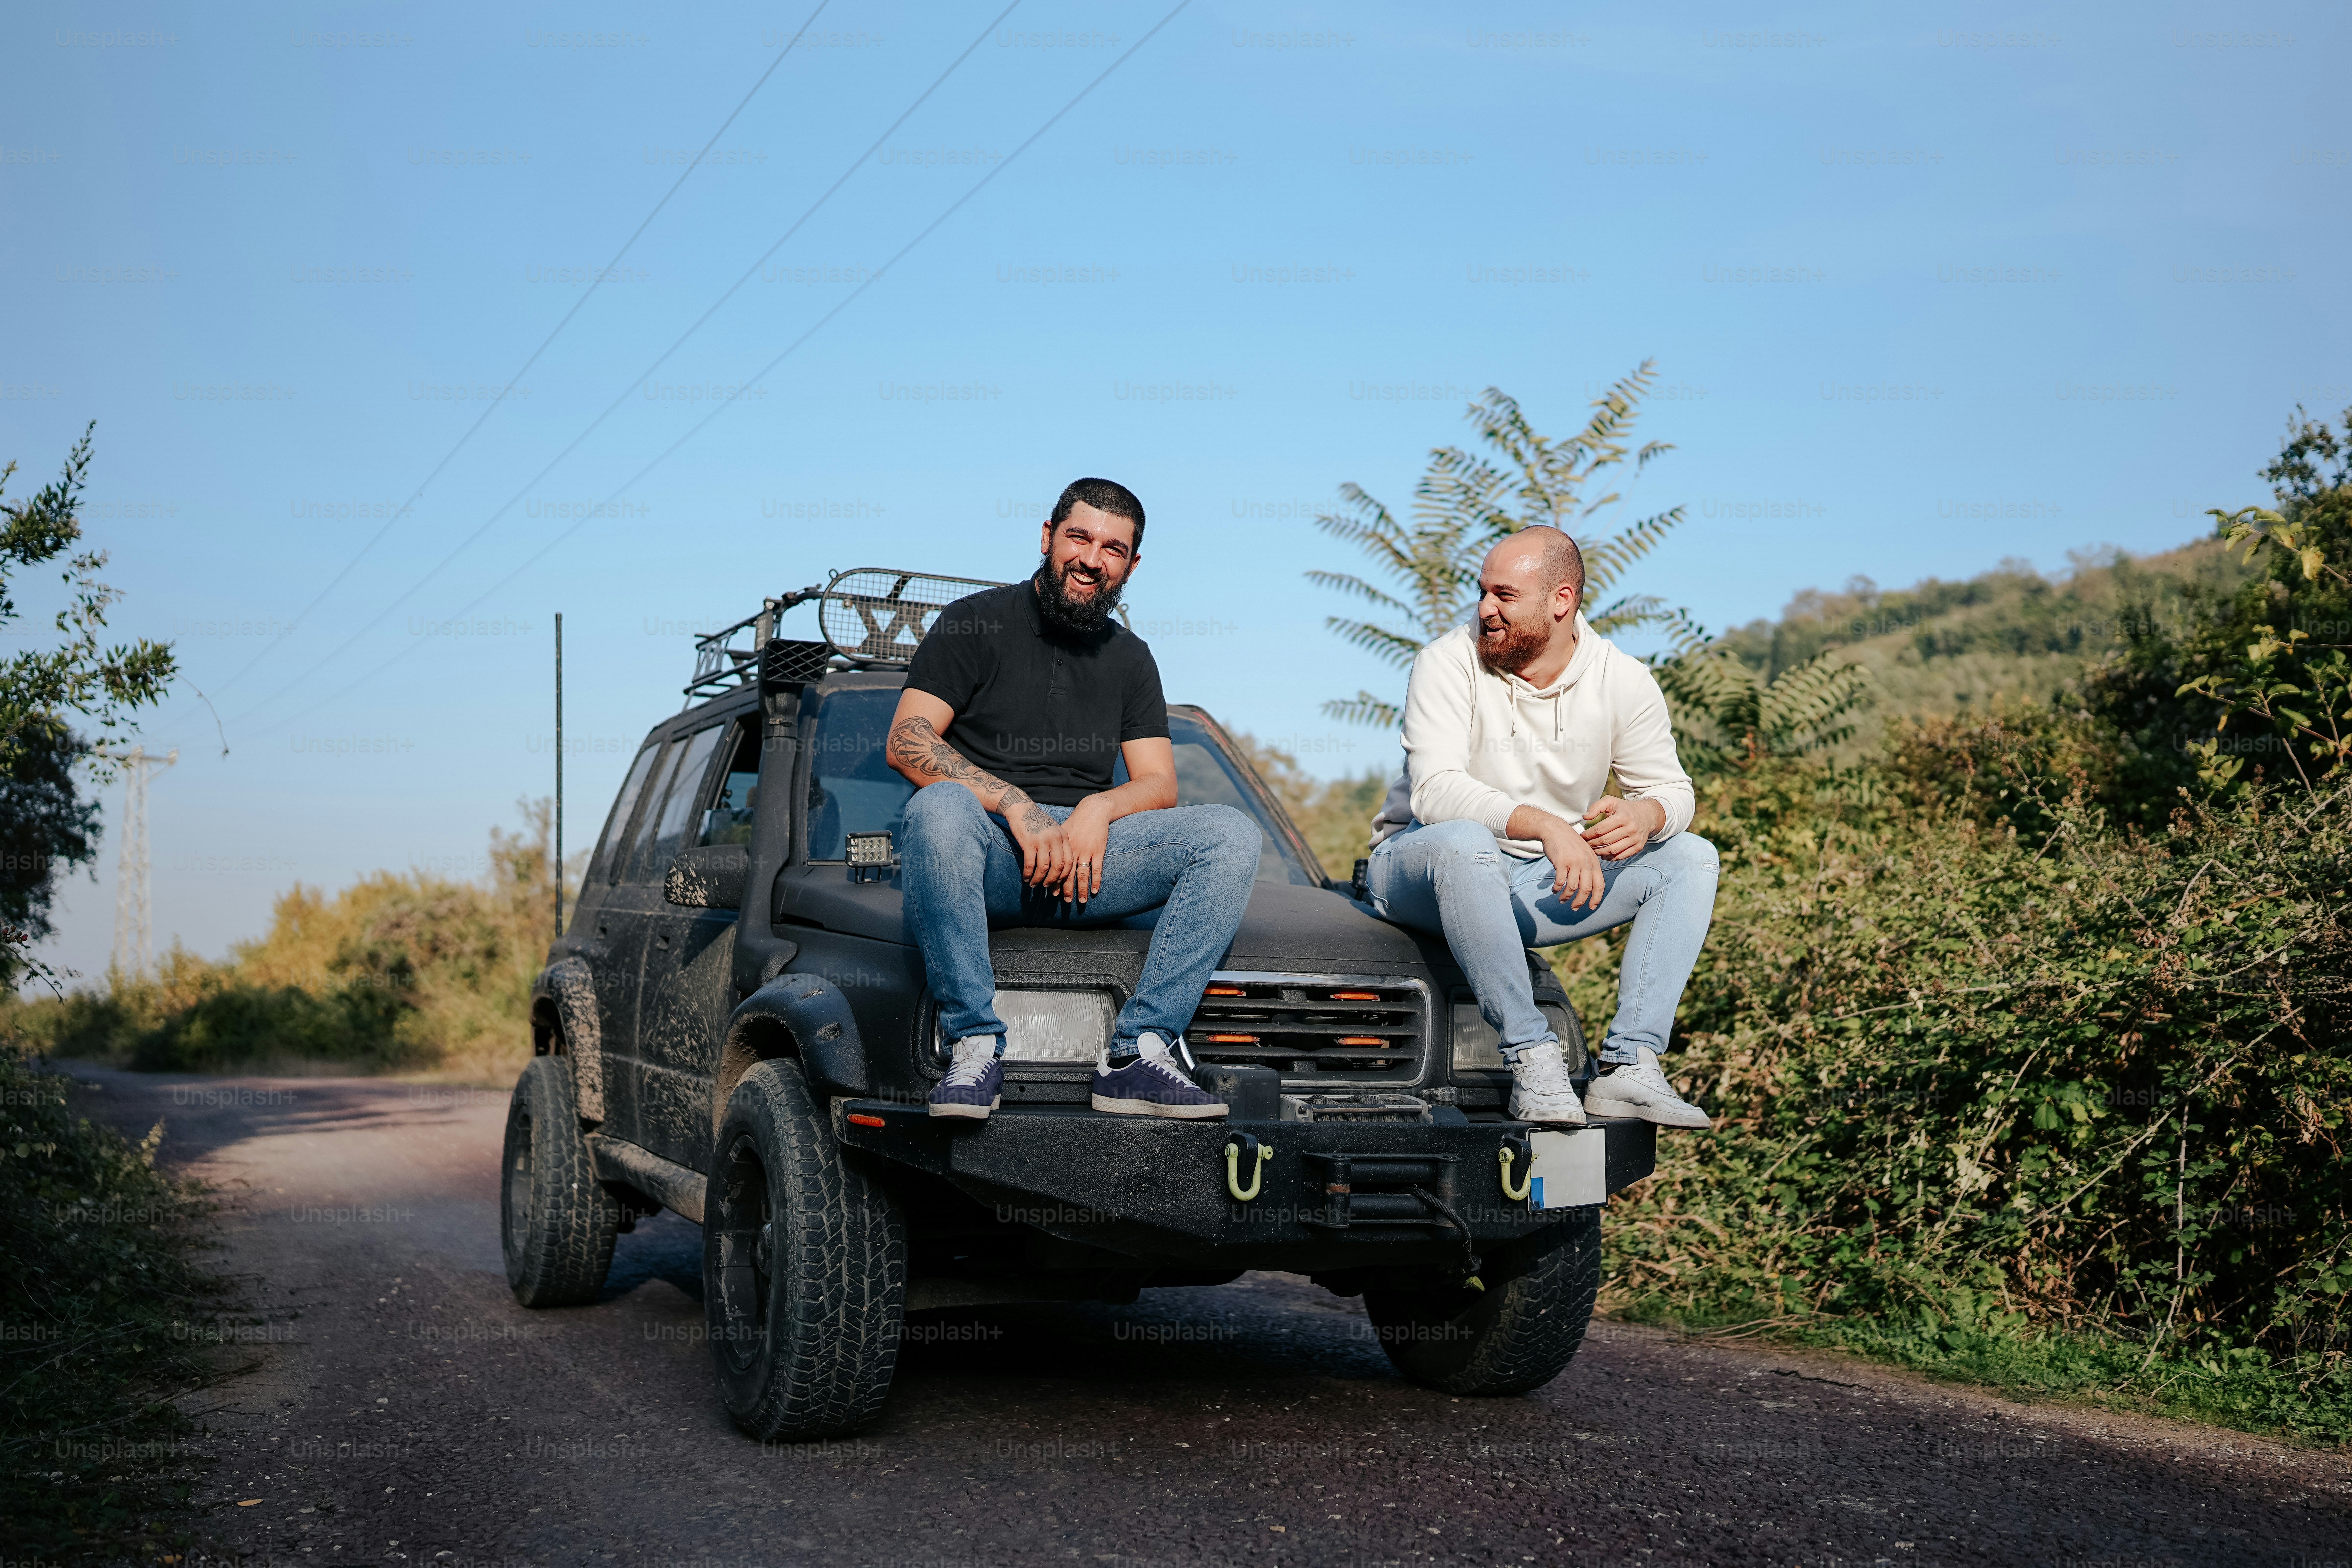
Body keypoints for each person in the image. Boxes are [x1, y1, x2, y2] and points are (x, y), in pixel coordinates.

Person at [887, 478, 1258, 1121]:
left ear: (1131, 566)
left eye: (1113, 549)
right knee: (937, 809)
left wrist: (1098, 809)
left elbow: (1158, 784)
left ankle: (1137, 1054)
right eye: (1079, 537)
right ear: (1047, 537)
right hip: (993, 857)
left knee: (1230, 833)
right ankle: (975, 1048)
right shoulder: (974, 624)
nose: (1092, 558)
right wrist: (1013, 804)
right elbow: (907, 739)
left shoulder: (1132, 658)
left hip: (1089, 864)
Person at [1364, 526, 1719, 1129]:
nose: (1485, 610)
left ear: (1561, 601)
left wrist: (1646, 814)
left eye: (1504, 595)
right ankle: (1533, 1060)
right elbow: (1435, 792)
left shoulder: (1624, 680)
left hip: (1529, 884)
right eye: (1482, 592)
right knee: (1465, 842)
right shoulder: (1447, 662)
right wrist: (1548, 826)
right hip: (1419, 868)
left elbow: (1674, 792)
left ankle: (1631, 1066)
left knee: (1690, 856)